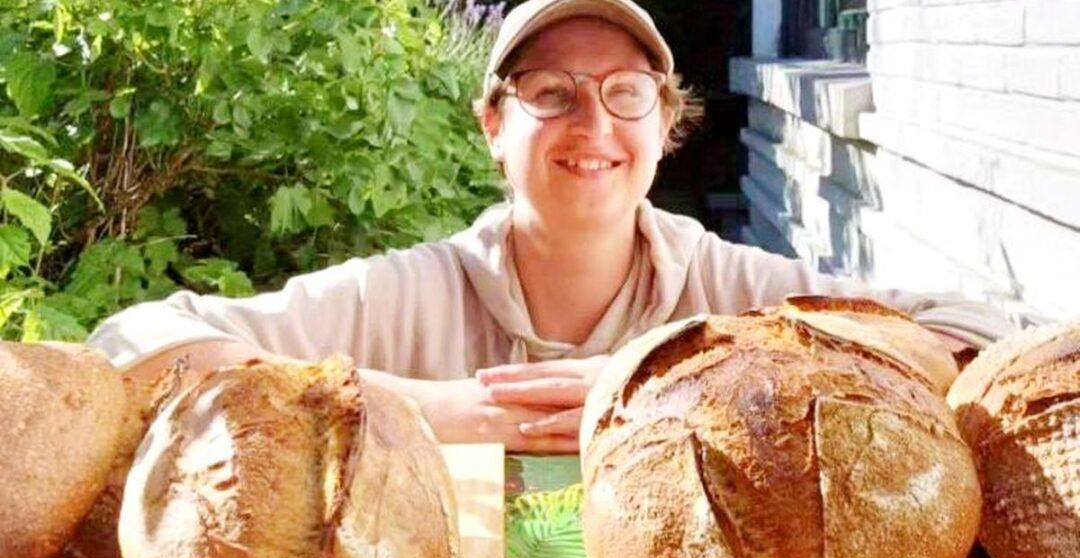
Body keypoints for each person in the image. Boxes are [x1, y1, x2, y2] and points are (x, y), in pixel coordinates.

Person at [87, 0, 1017, 453]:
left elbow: (979, 337)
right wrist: (432, 406)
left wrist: (685, 387)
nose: (594, 125)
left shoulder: (728, 288)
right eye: (551, 95)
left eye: (626, 95)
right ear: (494, 126)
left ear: (665, 123)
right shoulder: (409, 293)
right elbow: (133, 345)